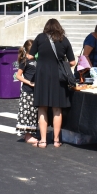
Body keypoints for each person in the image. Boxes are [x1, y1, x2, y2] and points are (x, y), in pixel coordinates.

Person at [28, 18, 76, 149]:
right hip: (58, 78)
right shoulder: (63, 40)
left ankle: (43, 141)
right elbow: (72, 62)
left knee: (42, 108)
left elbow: (30, 56)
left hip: (42, 77)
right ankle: (56, 140)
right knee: (57, 109)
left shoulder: (40, 38)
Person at [14, 39, 39, 145]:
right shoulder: (24, 61)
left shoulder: (37, 60)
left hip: (35, 92)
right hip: (27, 92)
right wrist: (29, 82)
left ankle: (31, 133)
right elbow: (18, 76)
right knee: (27, 113)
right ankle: (27, 136)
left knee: (34, 113)